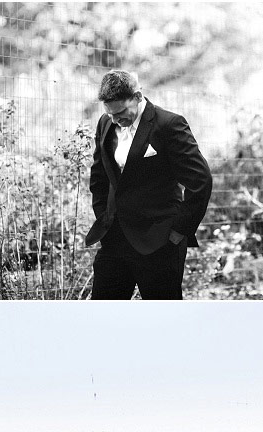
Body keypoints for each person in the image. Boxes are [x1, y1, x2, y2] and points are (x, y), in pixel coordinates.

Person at [84, 70, 213, 299]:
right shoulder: (106, 123)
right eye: (110, 113)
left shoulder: (169, 124)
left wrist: (178, 231)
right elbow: (99, 175)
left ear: (138, 96)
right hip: (116, 238)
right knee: (103, 314)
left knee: (162, 321)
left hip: (159, 241)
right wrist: (104, 216)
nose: (116, 120)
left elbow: (200, 181)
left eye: (121, 112)